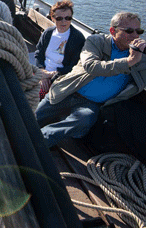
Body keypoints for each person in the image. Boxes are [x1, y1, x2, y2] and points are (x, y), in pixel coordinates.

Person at [35, 12, 146, 148]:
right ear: (112, 31)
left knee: (84, 120)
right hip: (69, 90)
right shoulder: (96, 41)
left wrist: (137, 58)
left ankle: (39, 141)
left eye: (139, 31)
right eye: (129, 31)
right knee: (34, 117)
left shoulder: (140, 56)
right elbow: (90, 66)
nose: (135, 36)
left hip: (91, 104)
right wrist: (129, 62)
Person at [34, 0, 85, 100]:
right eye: (59, 18)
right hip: (42, 72)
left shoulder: (77, 38)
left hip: (60, 77)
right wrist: (42, 73)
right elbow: (38, 54)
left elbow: (74, 66)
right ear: (52, 18)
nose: (64, 22)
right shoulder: (48, 33)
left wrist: (52, 76)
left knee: (35, 95)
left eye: (68, 18)